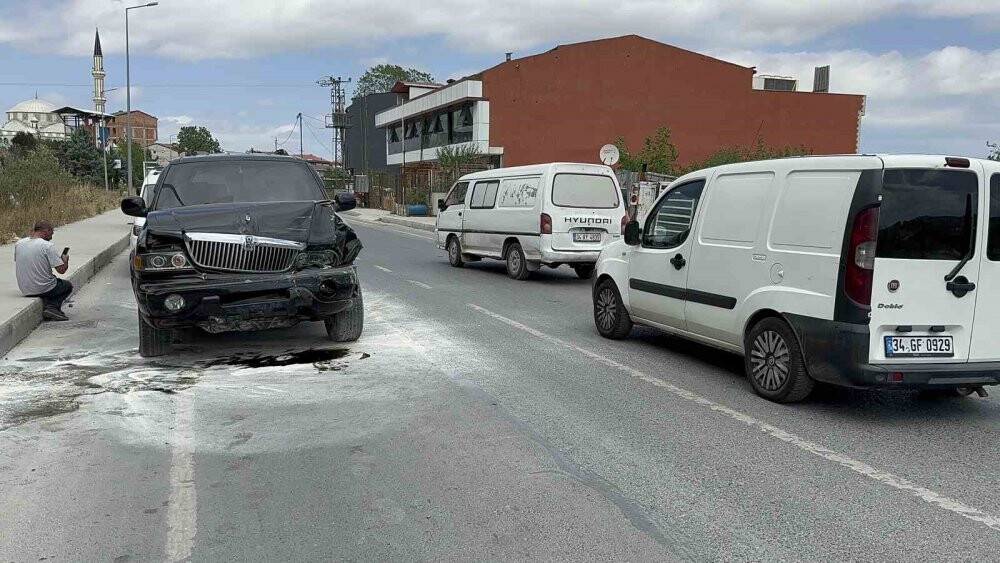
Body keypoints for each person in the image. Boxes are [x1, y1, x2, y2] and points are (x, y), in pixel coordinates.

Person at [14, 220, 72, 321]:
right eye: (51, 232)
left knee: (51, 283)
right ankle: (52, 308)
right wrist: (65, 260)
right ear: (46, 231)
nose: (52, 235)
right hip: (43, 288)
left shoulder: (19, 243)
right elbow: (61, 270)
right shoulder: (47, 246)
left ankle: (50, 305)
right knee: (67, 286)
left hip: (25, 289)